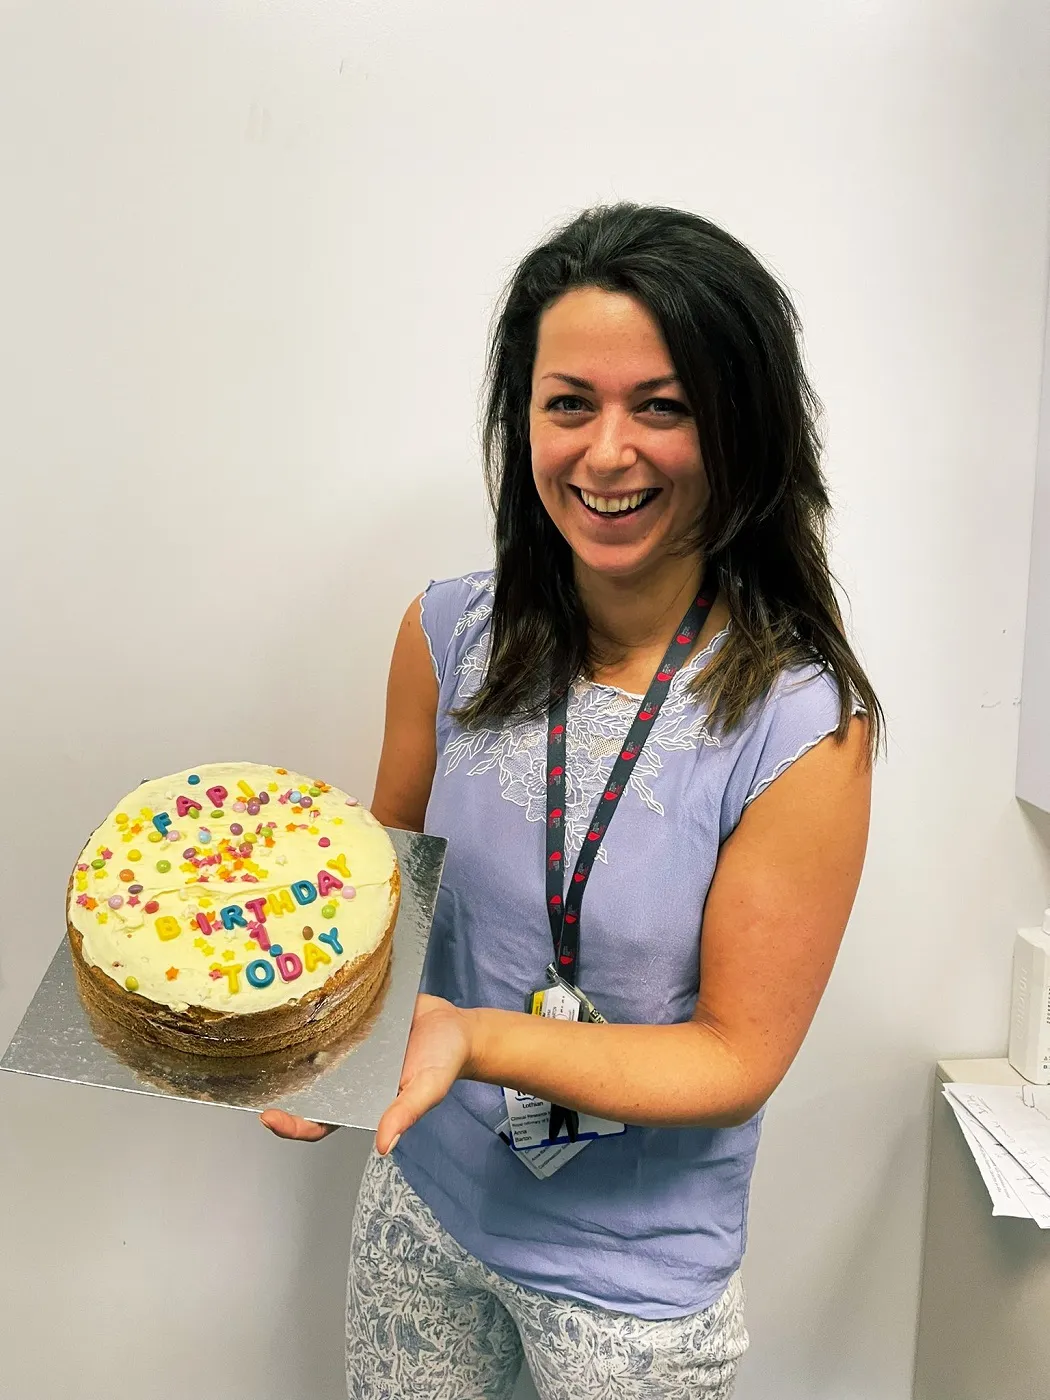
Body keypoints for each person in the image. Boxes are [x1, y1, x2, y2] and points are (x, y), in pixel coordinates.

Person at [261, 201, 881, 1400]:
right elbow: (386, 892)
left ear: (739, 427)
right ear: (522, 419)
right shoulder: (447, 633)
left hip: (632, 1290)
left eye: (663, 405)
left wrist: (470, 1036)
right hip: (422, 1211)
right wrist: (308, 1035)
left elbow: (735, 1054)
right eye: (567, 403)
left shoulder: (803, 724)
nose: (606, 452)